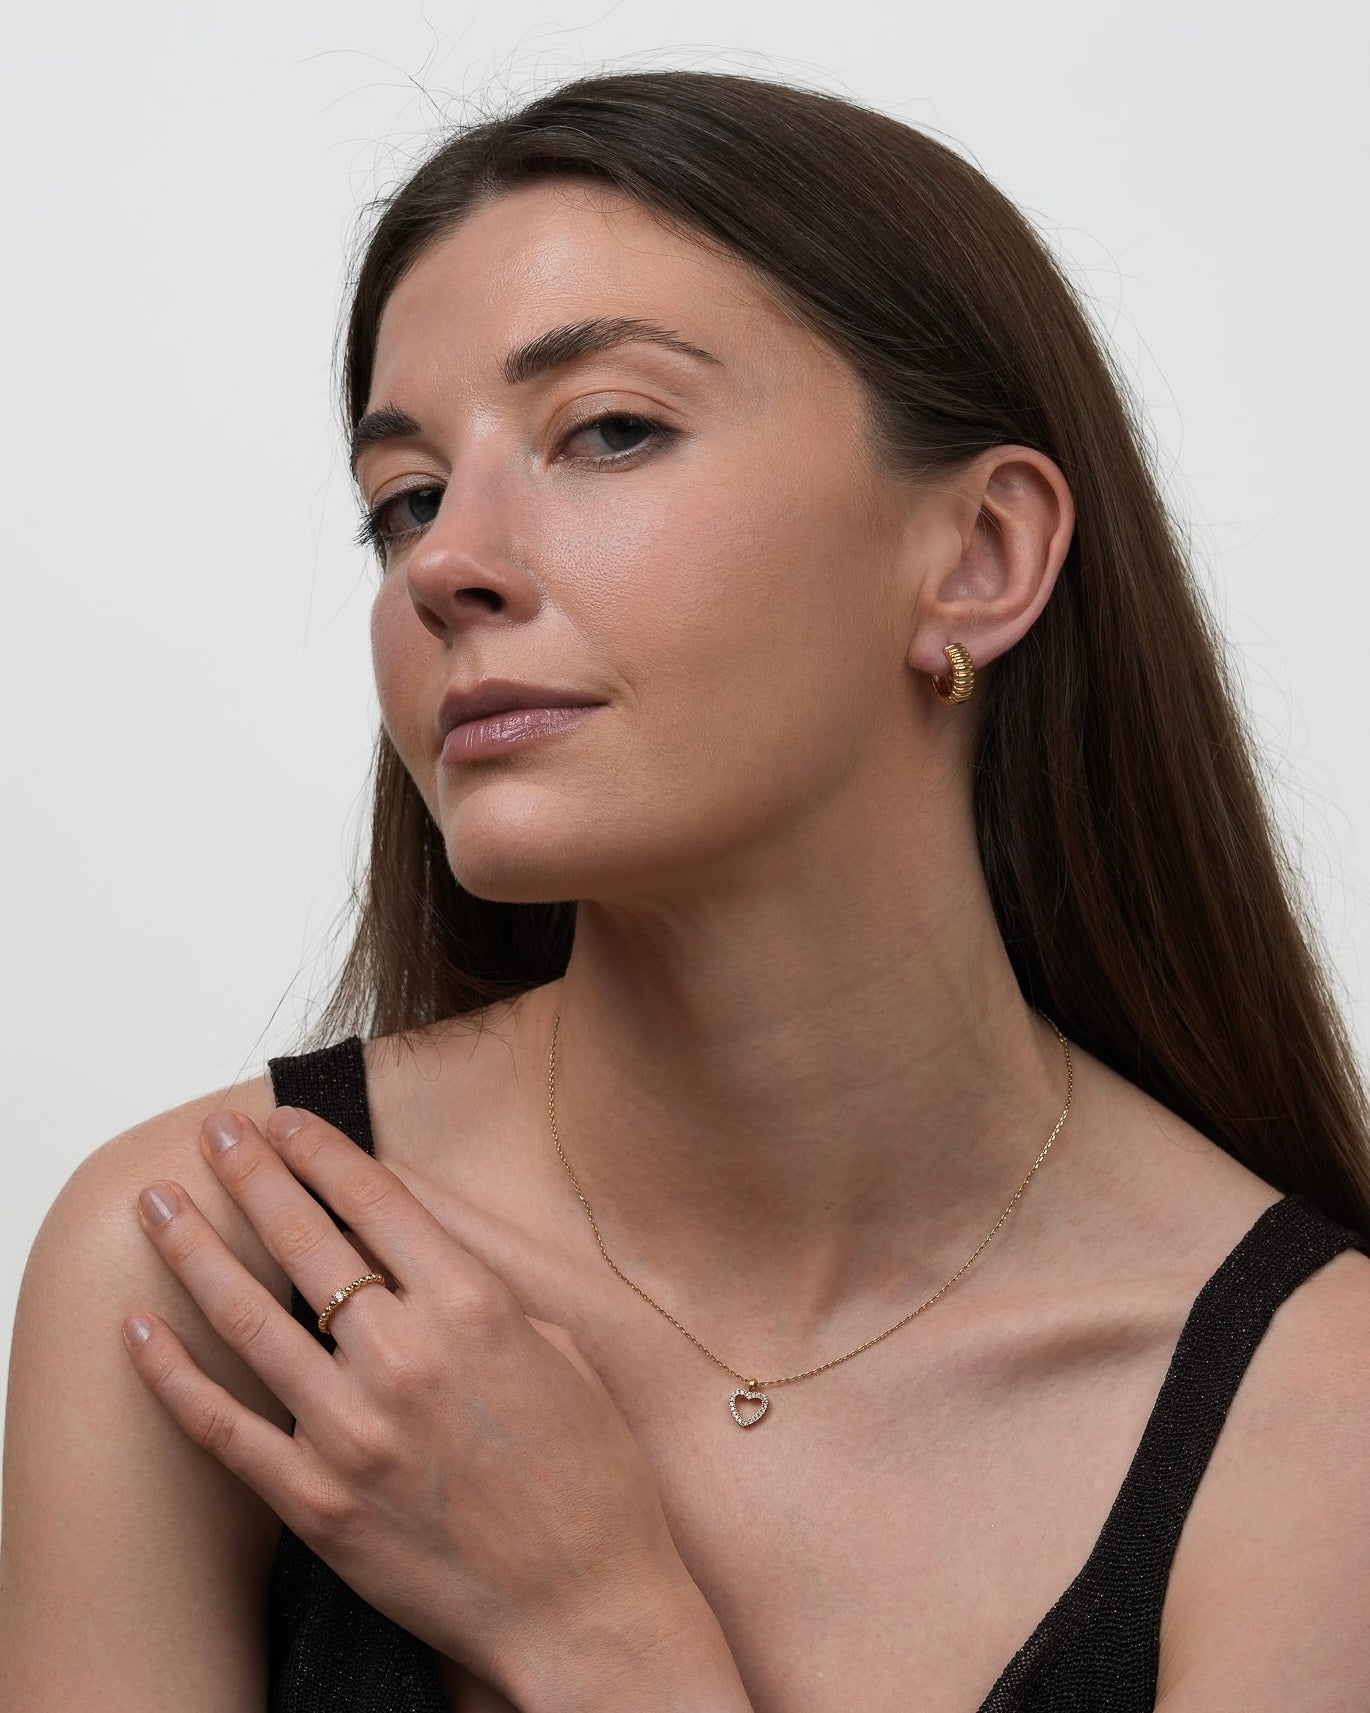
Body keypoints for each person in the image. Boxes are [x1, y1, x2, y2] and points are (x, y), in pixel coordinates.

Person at [3, 66, 1369, 1713]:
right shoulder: (208, 1266)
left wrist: (600, 1630)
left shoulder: (1313, 1404)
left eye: (608, 431)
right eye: (405, 499)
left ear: (981, 555)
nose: (444, 562)